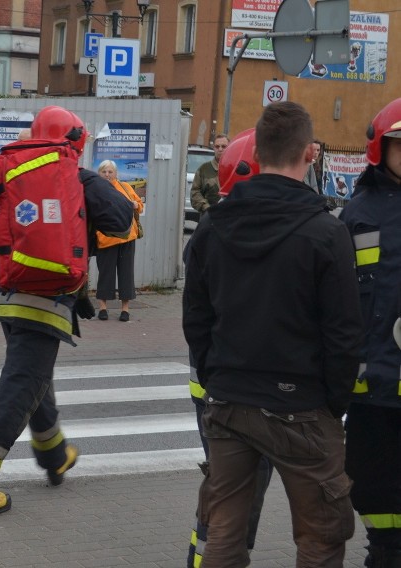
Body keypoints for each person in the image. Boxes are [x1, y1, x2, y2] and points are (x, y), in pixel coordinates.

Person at [182, 101, 362, 567]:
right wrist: (333, 403)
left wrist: (216, 376)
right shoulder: (326, 232)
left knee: (223, 531)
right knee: (321, 536)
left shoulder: (211, 229)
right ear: (310, 153)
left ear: (256, 154)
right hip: (302, 406)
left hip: (228, 402)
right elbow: (343, 332)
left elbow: (196, 321)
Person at [0, 106, 134, 516]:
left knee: (35, 378)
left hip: (8, 291)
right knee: (21, 387)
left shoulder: (19, 169)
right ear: (77, 141)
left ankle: (55, 456)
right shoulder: (76, 176)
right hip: (46, 299)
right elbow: (122, 221)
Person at [183, 129, 272, 567]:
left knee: (223, 484)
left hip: (211, 386)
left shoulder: (209, 232)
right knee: (243, 485)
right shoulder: (281, 233)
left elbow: (194, 320)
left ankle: (204, 559)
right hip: (251, 393)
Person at [339, 97, 401, 568]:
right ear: (381, 148)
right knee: (372, 483)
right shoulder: (357, 212)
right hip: (371, 384)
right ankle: (382, 549)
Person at [0, 128, 31, 313]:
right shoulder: (6, 162)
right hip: (10, 221)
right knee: (2, 256)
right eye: (22, 142)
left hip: (26, 221)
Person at [94, 160, 143, 322]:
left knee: (126, 274)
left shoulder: (126, 188)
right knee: (105, 274)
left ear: (116, 174)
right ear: (99, 173)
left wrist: (136, 204)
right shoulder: (95, 190)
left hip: (127, 238)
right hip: (106, 239)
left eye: (110, 172)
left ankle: (125, 309)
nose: (107, 175)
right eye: (104, 172)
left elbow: (140, 206)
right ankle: (102, 308)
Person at [189, 134, 229, 217]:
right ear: (214, 148)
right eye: (217, 146)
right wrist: (207, 208)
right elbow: (195, 193)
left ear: (230, 147)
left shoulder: (235, 168)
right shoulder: (204, 169)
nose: (220, 149)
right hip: (208, 219)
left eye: (223, 146)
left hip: (230, 219)